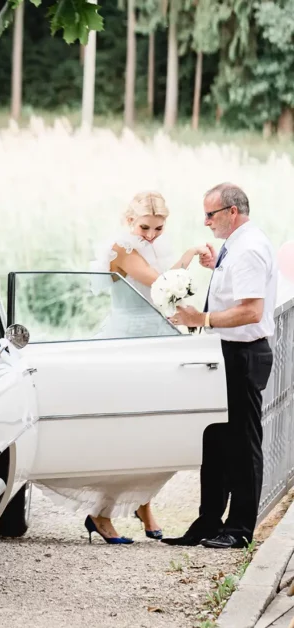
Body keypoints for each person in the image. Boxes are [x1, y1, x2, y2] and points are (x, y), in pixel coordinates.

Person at [39, 191, 210, 544]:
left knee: (163, 429)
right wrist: (191, 255)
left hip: (158, 340)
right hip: (126, 343)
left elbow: (164, 286)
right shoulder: (121, 249)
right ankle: (102, 511)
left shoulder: (156, 248)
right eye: (144, 227)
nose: (150, 234)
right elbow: (160, 284)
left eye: (158, 228)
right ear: (129, 222)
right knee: (126, 431)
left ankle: (143, 502)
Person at [165, 184, 277, 549]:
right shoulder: (237, 246)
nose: (205, 221)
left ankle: (240, 527)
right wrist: (217, 267)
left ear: (232, 211)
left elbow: (251, 310)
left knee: (242, 443)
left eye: (210, 214)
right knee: (214, 439)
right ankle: (209, 520)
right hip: (226, 352)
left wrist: (204, 318)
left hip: (244, 354)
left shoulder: (248, 248)